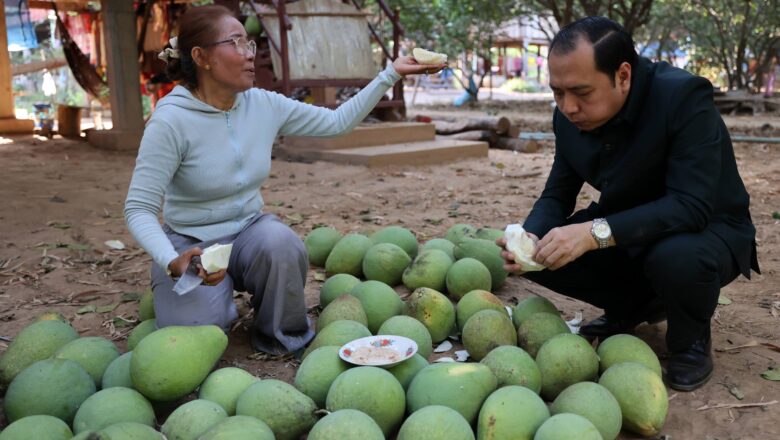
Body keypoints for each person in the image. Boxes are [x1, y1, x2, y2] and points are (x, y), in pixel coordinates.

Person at [124, 5, 443, 355]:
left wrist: (390, 75)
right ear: (202, 57)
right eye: (237, 44)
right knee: (190, 343)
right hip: (190, 242)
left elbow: (336, 122)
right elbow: (139, 208)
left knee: (282, 244)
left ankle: (279, 338)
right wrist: (172, 259)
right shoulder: (170, 121)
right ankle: (202, 297)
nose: (250, 55)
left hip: (249, 231)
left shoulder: (262, 104)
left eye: (250, 44)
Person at [498, 17, 759, 391]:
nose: (568, 107)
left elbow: (690, 206)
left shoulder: (683, 98)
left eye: (581, 93)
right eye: (557, 93)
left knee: (674, 257)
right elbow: (557, 193)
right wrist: (526, 237)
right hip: (627, 228)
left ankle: (691, 340)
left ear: (623, 75)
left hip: (707, 229)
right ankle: (633, 307)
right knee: (545, 252)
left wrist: (592, 233)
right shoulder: (568, 117)